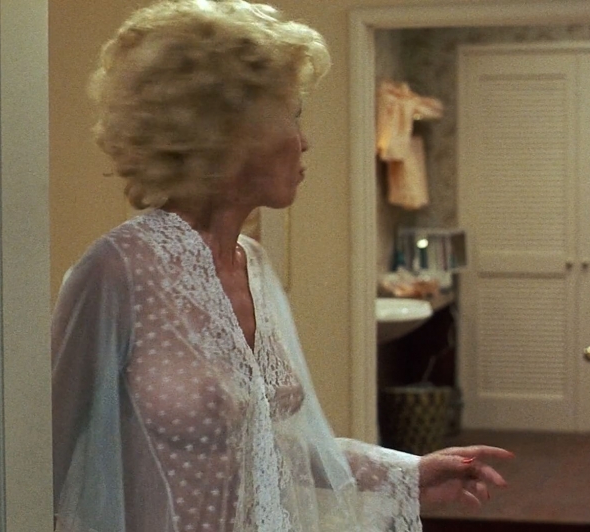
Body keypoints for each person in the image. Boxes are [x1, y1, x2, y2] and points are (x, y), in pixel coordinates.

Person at [52, 1, 513, 530]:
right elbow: (41, 455)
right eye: (293, 116)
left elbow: (269, 447)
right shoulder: (118, 270)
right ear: (227, 129)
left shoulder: (253, 264)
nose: (305, 140)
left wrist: (409, 471)